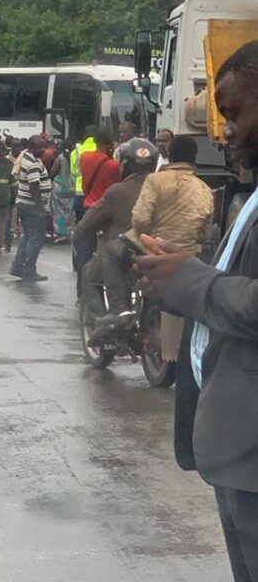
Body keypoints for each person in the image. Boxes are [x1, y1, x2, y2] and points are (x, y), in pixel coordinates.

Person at [134, 40, 258, 582]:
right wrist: (187, 268)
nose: (224, 131)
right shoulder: (243, 192)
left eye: (233, 113)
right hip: (238, 453)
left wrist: (189, 280)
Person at [101, 134, 213, 324]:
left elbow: (141, 220)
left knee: (111, 251)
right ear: (194, 158)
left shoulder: (155, 180)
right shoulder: (205, 189)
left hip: (150, 248)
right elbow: (205, 232)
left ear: (170, 155)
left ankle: (119, 311)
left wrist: (147, 235)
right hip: (184, 254)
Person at [74, 139, 158, 320]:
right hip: (157, 251)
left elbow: (87, 224)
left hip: (124, 253)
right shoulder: (162, 188)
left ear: (124, 164)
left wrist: (77, 235)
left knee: (89, 273)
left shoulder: (117, 191)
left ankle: (112, 318)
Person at [74, 129, 120, 297]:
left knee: (85, 252)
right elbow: (116, 186)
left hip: (87, 207)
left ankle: (81, 290)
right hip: (105, 210)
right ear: (109, 144)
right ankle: (100, 289)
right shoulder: (112, 164)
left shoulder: (84, 157)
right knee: (105, 251)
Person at [10, 135, 51, 282]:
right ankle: (29, 270)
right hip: (31, 205)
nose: (43, 149)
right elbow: (34, 186)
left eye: (44, 146)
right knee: (35, 238)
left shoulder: (26, 157)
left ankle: (18, 267)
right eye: (40, 147)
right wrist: (40, 209)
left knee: (27, 236)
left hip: (24, 203)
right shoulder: (33, 163)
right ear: (31, 147)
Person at [50, 139, 76, 243]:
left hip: (60, 188)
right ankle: (70, 232)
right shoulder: (75, 157)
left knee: (59, 212)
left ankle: (61, 233)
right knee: (70, 211)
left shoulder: (60, 159)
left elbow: (52, 173)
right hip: (72, 187)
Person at [69, 126, 97, 222]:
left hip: (80, 192)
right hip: (98, 193)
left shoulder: (75, 152)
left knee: (80, 223)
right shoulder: (103, 150)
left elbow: (73, 172)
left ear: (84, 136)